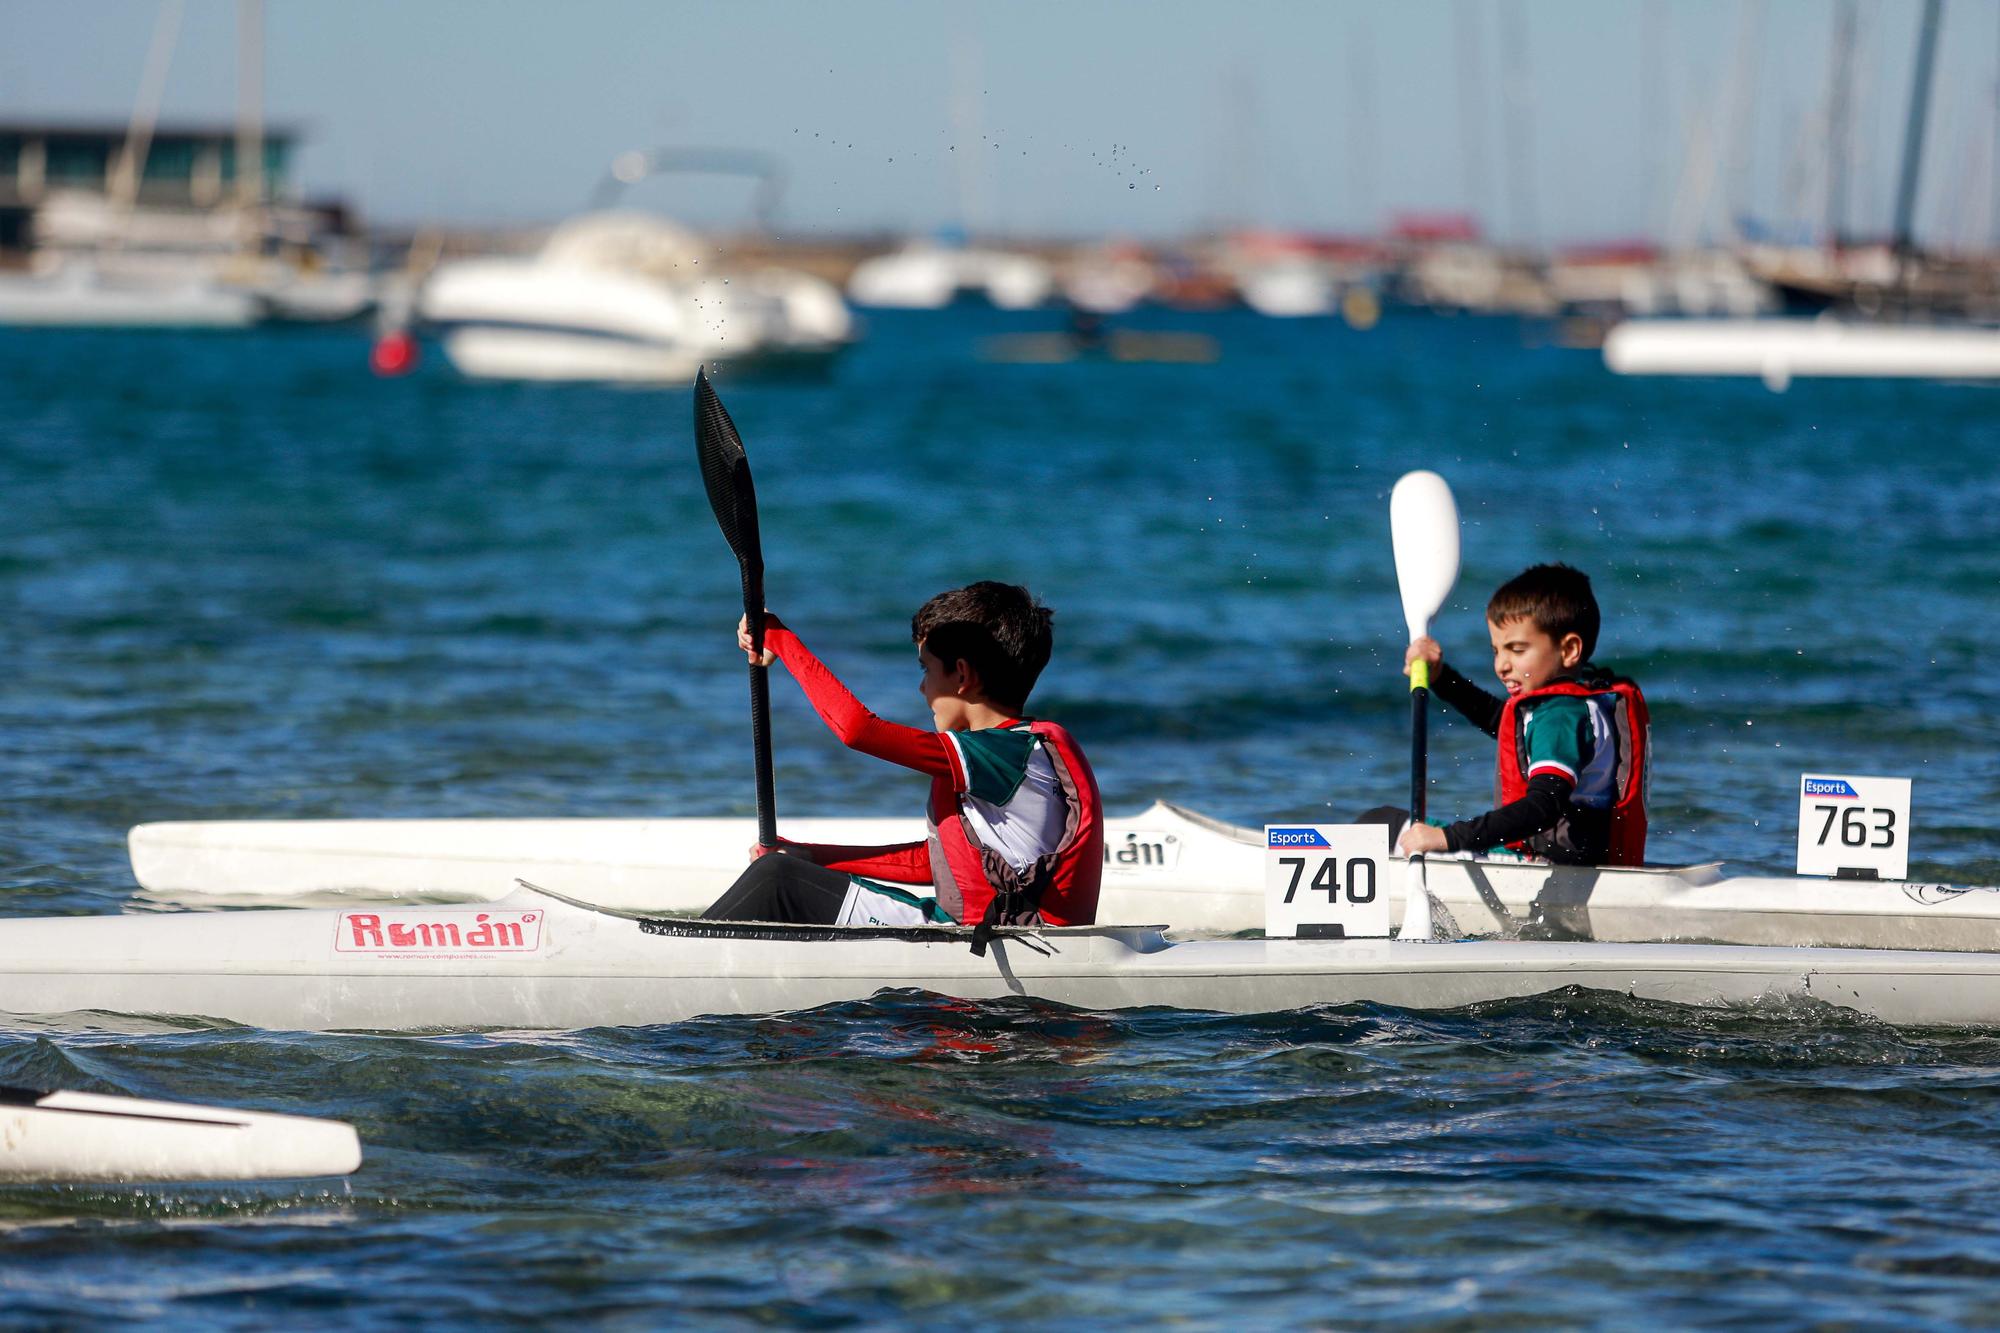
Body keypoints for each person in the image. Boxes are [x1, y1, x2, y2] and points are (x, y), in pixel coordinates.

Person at [702, 581, 1104, 930]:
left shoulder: (1007, 756)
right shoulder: (1012, 754)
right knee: (789, 873)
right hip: (980, 935)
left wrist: (781, 640)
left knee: (777, 879)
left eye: (926, 670)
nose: (921, 689)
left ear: (962, 677)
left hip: (990, 943)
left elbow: (858, 730)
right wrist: (812, 856)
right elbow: (935, 866)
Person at [1395, 563, 1650, 866]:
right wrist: (1441, 677)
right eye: (1496, 651)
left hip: (1545, 865)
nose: (1501, 665)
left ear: (1569, 650)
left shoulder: (1560, 716)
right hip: (1574, 861)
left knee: (1381, 825)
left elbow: (1543, 807)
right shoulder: (1576, 705)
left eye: (1516, 650)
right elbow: (1500, 721)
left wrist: (1449, 838)